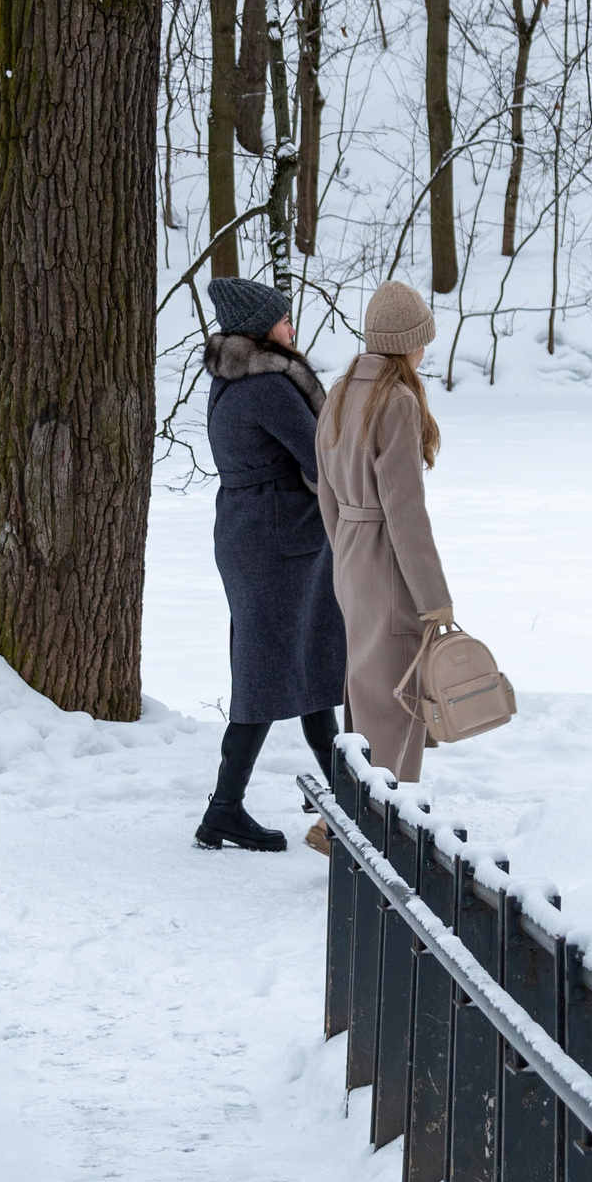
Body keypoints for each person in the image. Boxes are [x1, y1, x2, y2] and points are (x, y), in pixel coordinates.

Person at [195, 276, 347, 853]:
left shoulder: (230, 377)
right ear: (262, 327)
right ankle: (224, 811)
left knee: (301, 662)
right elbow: (321, 459)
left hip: (253, 531)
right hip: (280, 540)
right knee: (270, 669)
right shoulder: (266, 386)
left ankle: (340, 793)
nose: (291, 328)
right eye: (284, 319)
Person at [316, 281, 450, 785]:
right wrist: (436, 601)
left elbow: (326, 493)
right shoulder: (396, 401)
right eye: (422, 340)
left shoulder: (341, 392)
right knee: (397, 704)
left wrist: (345, 556)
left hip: (351, 562)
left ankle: (349, 822)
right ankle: (371, 828)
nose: (424, 349)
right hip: (389, 567)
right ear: (409, 344)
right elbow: (406, 512)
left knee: (368, 695)